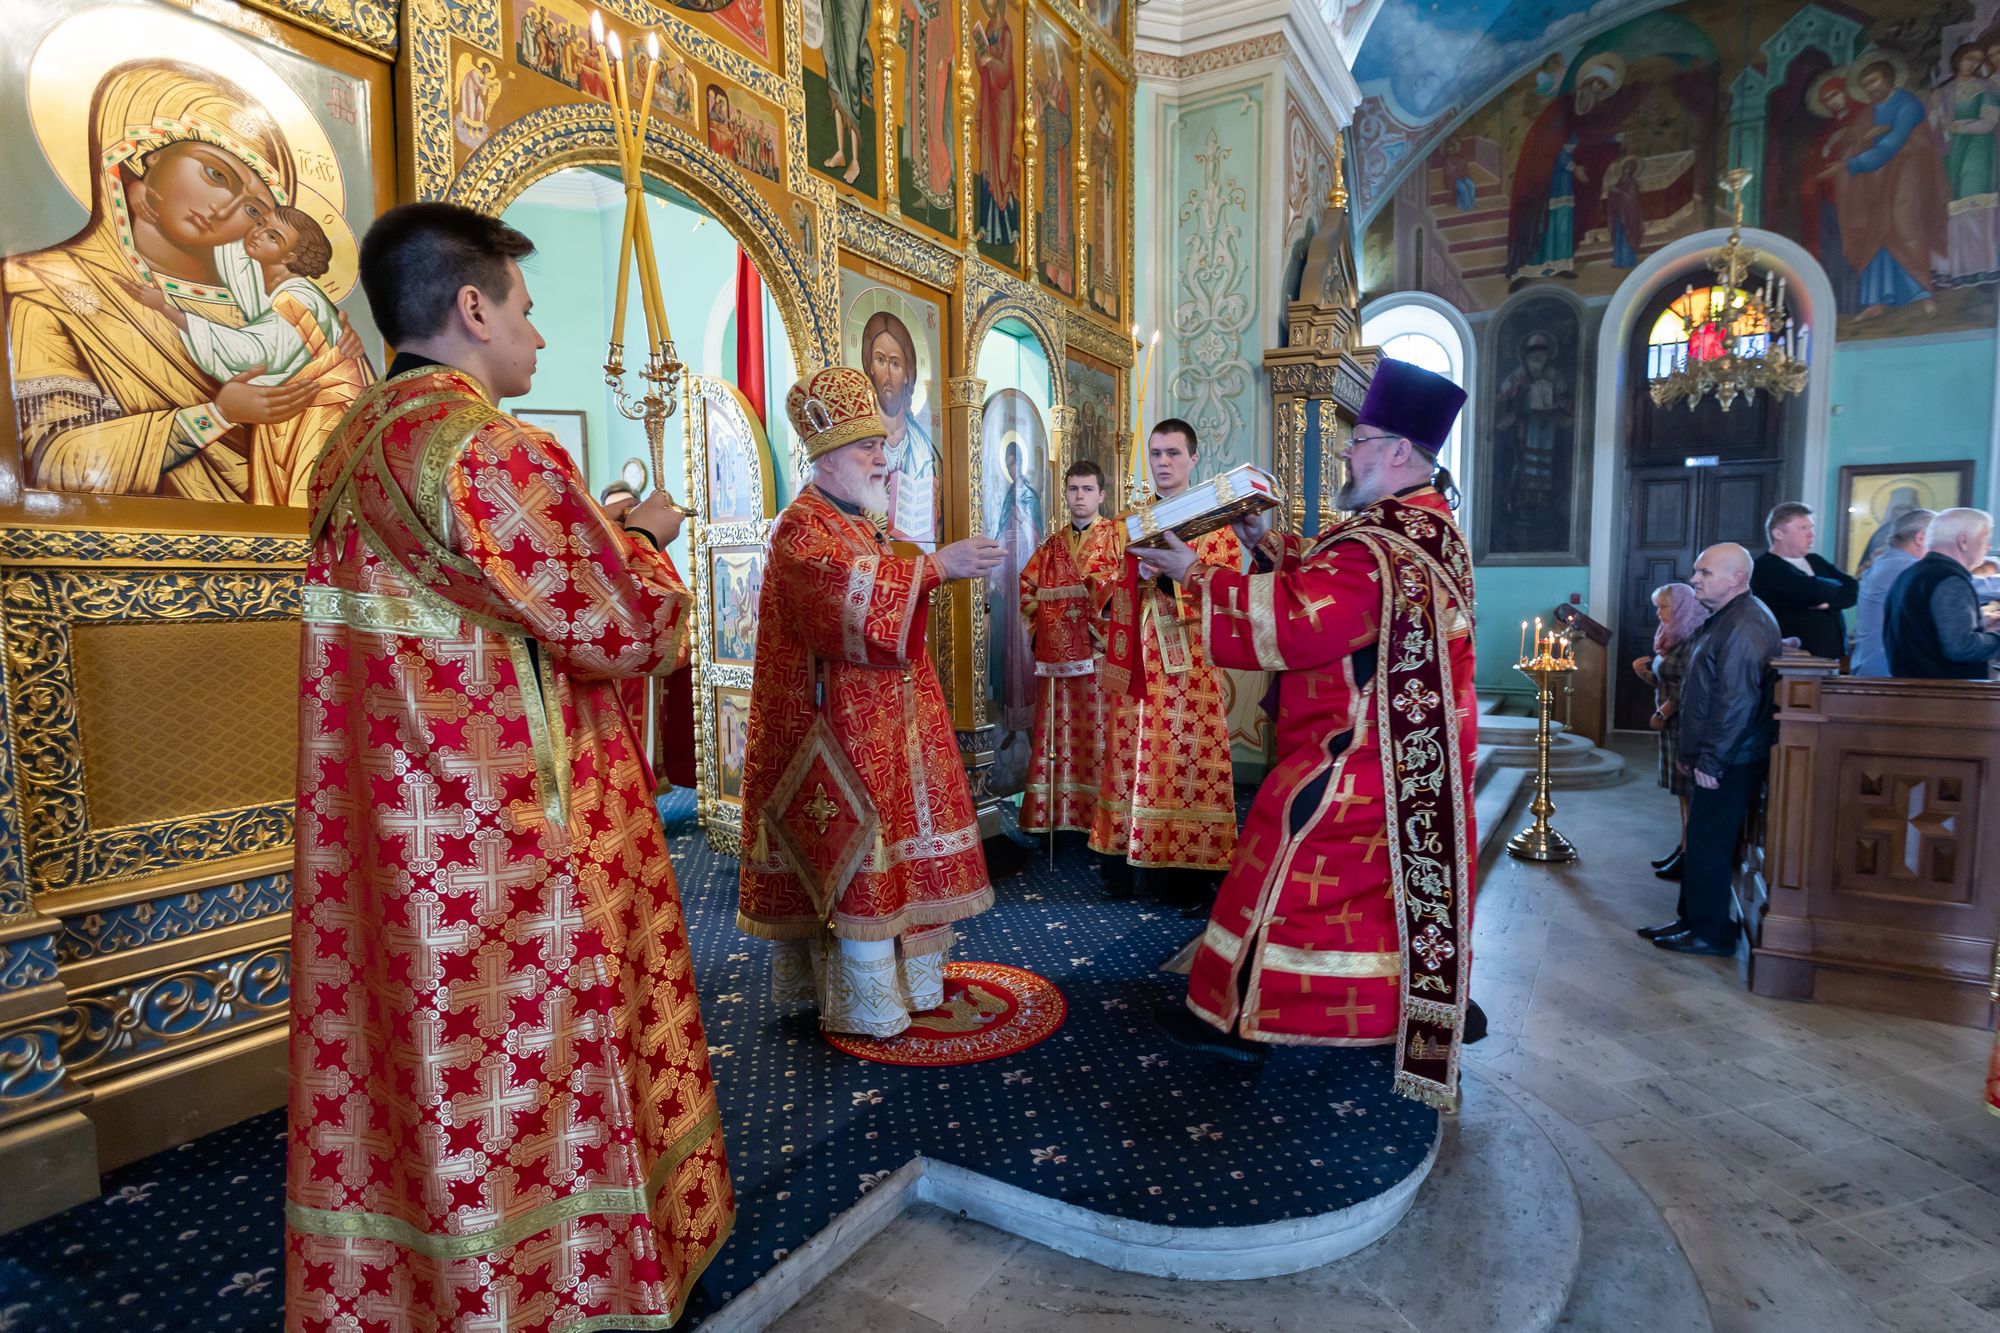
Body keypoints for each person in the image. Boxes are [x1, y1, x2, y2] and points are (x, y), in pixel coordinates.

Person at [287, 203, 733, 1331]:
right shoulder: (488, 447)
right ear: (472, 308)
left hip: (398, 837)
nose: (537, 334)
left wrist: (595, 530)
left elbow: (491, 604)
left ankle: (426, 1291)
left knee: (419, 1064)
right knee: (531, 1072)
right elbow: (626, 626)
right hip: (514, 835)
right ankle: (570, 1292)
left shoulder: (350, 449)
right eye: (526, 310)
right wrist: (647, 540)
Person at [1133, 360, 1479, 1107]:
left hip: (1359, 755)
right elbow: (1335, 587)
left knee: (1280, 853)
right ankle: (1368, 1005)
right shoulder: (1423, 528)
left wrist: (1194, 573)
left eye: (1361, 439)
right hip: (1404, 753)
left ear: (1398, 451)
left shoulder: (1386, 544)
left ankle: (1239, 1017)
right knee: (1352, 890)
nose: (1348, 452)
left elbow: (1298, 621)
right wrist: (1267, 544)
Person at [737, 367, 1005, 1038]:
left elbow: (883, 589)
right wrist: (937, 566)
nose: (883, 459)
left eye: (883, 446)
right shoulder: (803, 528)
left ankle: (911, 982)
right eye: (868, 448)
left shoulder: (857, 522)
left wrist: (923, 567)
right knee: (858, 853)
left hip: (889, 719)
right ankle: (866, 1002)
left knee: (900, 846)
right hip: (838, 731)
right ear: (827, 456)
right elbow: (844, 607)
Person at [121, 206, 374, 506]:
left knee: (307, 505)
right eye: (260, 223)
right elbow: (230, 252)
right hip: (294, 418)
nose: (258, 234)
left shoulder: (297, 298)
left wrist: (166, 309)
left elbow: (254, 354)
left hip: (318, 418)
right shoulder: (269, 282)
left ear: (290, 257)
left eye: (273, 236)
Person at [1088, 419, 1240, 909]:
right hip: (1135, 662)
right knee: (1130, 756)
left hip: (1189, 669)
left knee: (1182, 760)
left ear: (1193, 459)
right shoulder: (1128, 523)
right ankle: (1124, 863)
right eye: (1156, 454)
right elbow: (1099, 582)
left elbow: (1228, 588)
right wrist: (1129, 579)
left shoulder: (1215, 524)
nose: (1163, 463)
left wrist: (1175, 576)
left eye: (1173, 453)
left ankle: (1184, 873)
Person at [1647, 544, 1781, 957]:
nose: (1694, 579)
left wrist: (1712, 759)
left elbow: (1736, 701)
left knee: (1709, 843)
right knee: (1701, 839)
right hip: (1720, 753)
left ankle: (1710, 932)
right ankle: (1691, 920)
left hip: (1732, 757)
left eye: (1704, 572)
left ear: (1736, 578)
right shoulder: (1726, 617)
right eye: (1696, 571)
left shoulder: (1746, 623)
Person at [1019, 459, 1120, 839]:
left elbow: (1125, 593)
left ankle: (1098, 820)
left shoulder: (1116, 539)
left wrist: (1096, 627)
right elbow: (1027, 590)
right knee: (1058, 737)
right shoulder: (1051, 546)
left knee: (1098, 737)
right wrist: (1048, 632)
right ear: (1065, 493)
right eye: (1073, 489)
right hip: (1058, 663)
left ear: (1101, 495)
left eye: (1087, 489)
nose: (1080, 496)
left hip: (1099, 658)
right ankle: (1057, 816)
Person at [1632, 581, 1707, 877]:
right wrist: (1644, 675)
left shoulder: (1694, 639)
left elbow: (1688, 686)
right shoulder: (1672, 635)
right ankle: (1683, 846)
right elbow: (1665, 681)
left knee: (1689, 790)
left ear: (1682, 608)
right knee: (1681, 792)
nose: (1658, 613)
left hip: (1684, 722)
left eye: (1663, 606)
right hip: (1671, 722)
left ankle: (1690, 853)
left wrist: (1662, 713)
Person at [1885, 507, 2000, 679]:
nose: (1988, 546)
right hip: (1944, 691)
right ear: (1964, 541)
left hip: (1914, 687)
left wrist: (1982, 625)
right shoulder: (1949, 579)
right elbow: (1961, 647)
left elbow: (1928, 633)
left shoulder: (1912, 573)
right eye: (1985, 539)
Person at [1751, 501, 1858, 661]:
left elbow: (1854, 588)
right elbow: (1811, 592)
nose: (1811, 534)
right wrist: (1834, 592)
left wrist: (1828, 603)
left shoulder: (1815, 560)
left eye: (1811, 527)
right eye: (1803, 528)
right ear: (1778, 534)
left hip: (1833, 658)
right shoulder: (1765, 567)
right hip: (1794, 661)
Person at [1850, 505, 1934, 677]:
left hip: (1873, 666)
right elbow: (1954, 586)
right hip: (1885, 671)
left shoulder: (1888, 561)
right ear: (1920, 538)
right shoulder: (1905, 567)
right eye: (1938, 541)